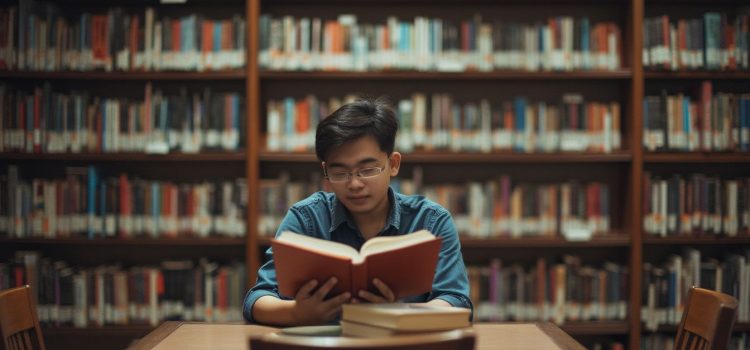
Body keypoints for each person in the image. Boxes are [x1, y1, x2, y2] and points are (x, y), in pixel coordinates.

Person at [243, 97, 472, 326]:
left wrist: (400, 312)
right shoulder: (307, 219)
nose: (354, 184)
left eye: (367, 169)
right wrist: (296, 313)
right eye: (340, 172)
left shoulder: (430, 222)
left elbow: (456, 301)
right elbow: (258, 299)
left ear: (393, 164)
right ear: (325, 170)